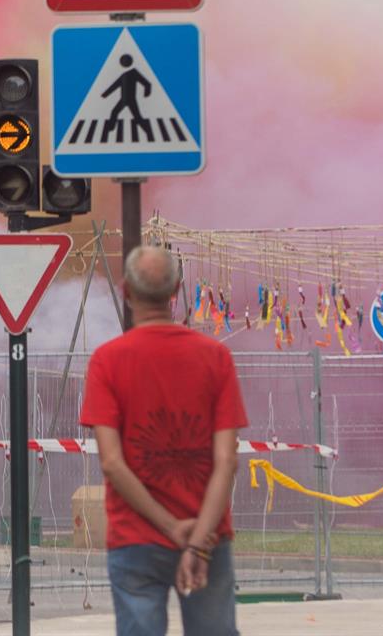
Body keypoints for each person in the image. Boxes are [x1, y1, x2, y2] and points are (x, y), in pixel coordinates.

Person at [79, 245, 247, 636]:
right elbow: (227, 462)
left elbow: (112, 463)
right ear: (177, 289)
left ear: (126, 292)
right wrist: (198, 543)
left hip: (135, 537)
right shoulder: (216, 358)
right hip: (209, 535)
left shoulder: (107, 361)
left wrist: (171, 528)